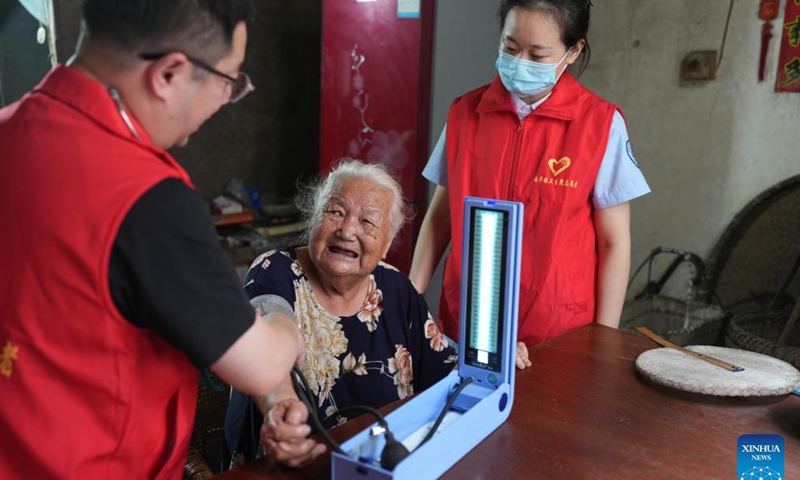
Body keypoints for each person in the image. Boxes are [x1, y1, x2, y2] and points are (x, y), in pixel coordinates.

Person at [0, 1, 305, 478]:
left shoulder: (10, 127)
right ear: (169, 74)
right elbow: (262, 366)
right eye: (229, 82)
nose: (226, 100)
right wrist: (283, 317)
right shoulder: (144, 197)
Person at [410, 0, 650, 369]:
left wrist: (603, 339)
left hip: (559, 335)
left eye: (538, 55)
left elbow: (614, 242)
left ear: (573, 51)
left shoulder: (600, 126)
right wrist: (409, 298)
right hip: (472, 326)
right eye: (510, 47)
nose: (520, 61)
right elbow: (441, 217)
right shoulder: (464, 113)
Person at [224, 159, 458, 467]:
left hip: (384, 465)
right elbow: (270, 324)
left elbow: (448, 374)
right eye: (335, 212)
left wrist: (491, 361)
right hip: (296, 465)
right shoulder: (274, 270)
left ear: (386, 244)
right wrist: (281, 402)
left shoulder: (397, 289)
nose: (347, 230)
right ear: (314, 219)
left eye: (368, 221)